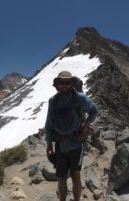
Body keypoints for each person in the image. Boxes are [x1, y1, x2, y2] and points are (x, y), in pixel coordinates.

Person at [45, 71, 98, 201]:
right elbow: (49, 124)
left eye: (67, 82)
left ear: (71, 83)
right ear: (57, 84)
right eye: (61, 82)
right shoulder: (53, 101)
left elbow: (94, 111)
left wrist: (86, 124)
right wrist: (49, 145)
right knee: (61, 178)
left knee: (75, 176)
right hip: (60, 145)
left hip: (76, 143)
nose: (64, 85)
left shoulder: (80, 98)